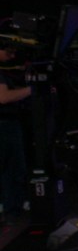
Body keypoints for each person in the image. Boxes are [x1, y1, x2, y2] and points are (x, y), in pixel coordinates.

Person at [0, 40, 32, 220]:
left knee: (10, 170)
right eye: (9, 52)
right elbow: (3, 97)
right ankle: (13, 213)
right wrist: (31, 89)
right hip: (5, 125)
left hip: (7, 124)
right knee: (13, 170)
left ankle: (12, 209)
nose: (12, 57)